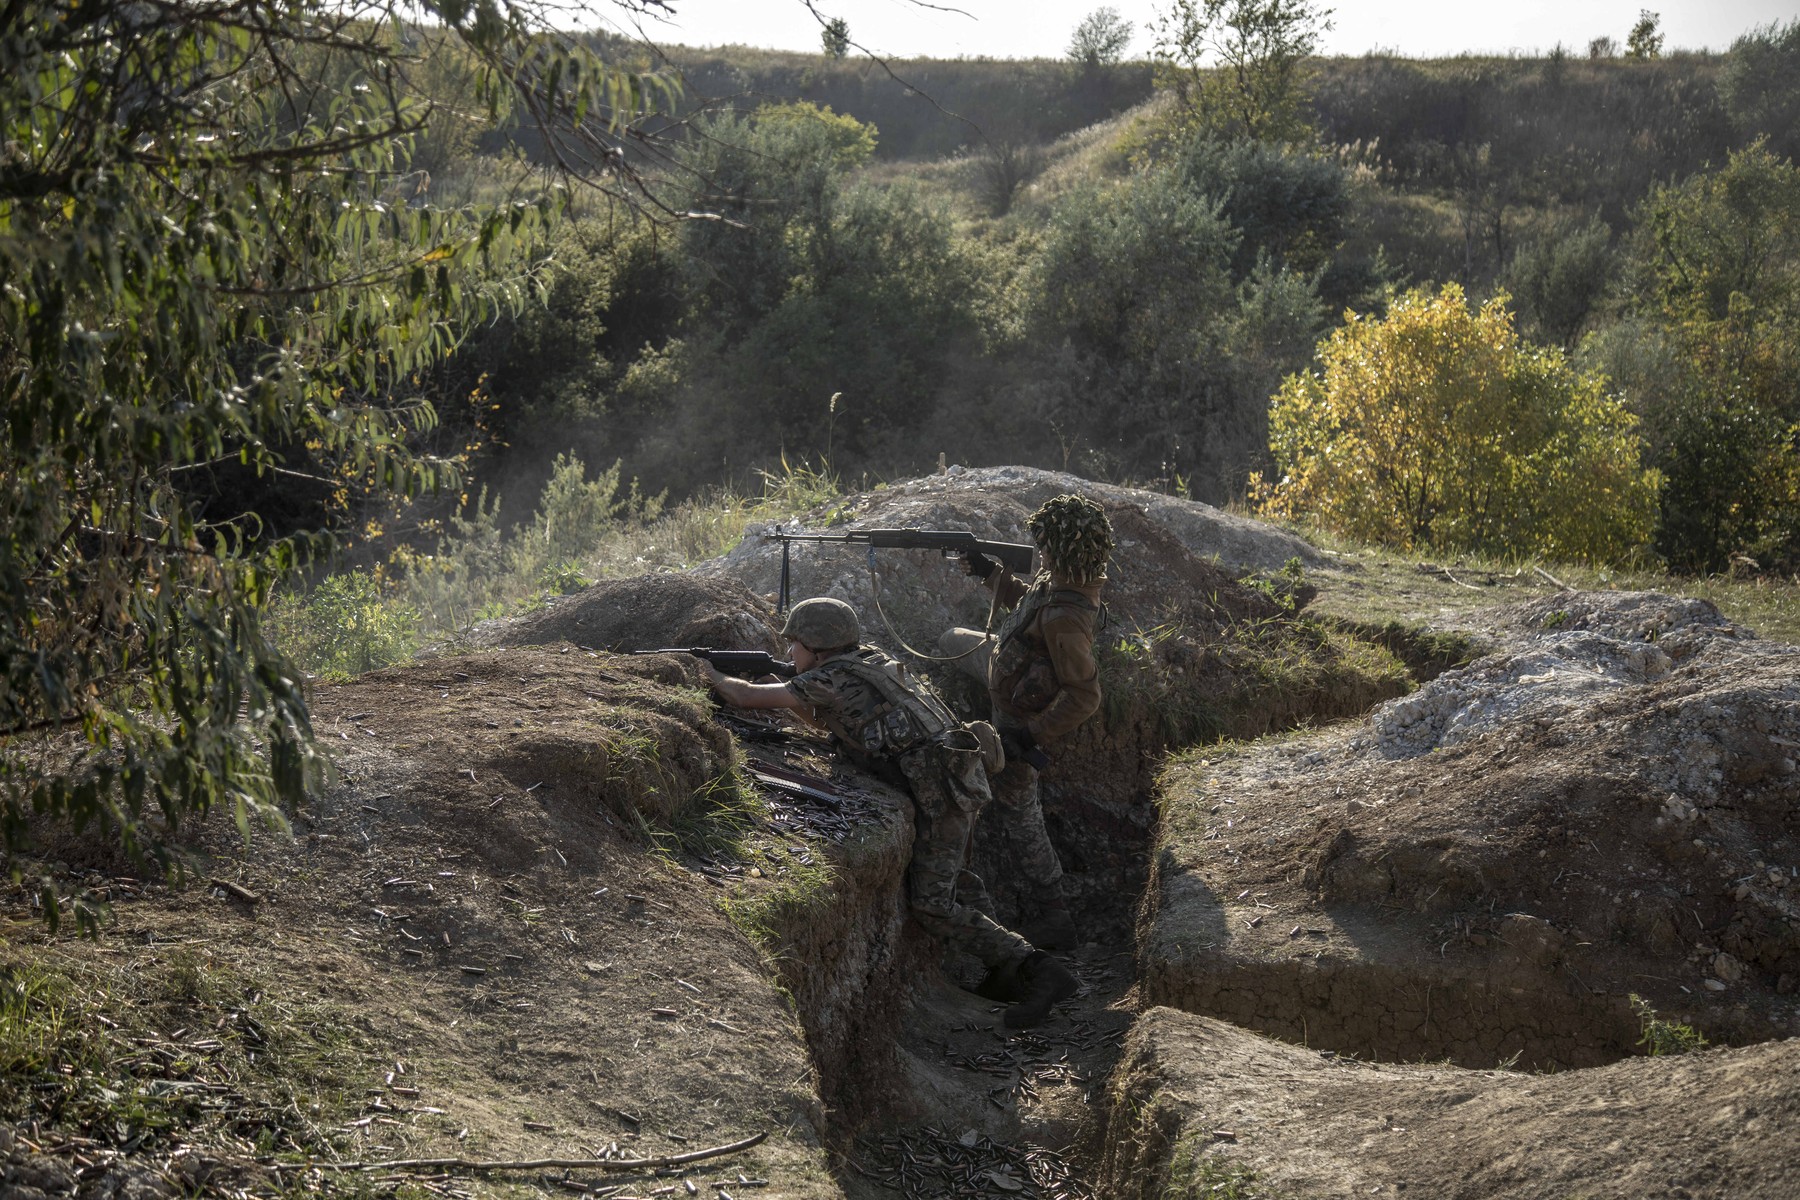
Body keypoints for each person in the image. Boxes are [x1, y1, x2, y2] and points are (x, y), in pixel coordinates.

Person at [699, 596, 1079, 1029]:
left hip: (941, 792)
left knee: (933, 906)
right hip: (954, 783)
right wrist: (786, 697)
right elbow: (837, 722)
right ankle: (1006, 970)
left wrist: (709, 673)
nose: (790, 654)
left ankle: (1040, 972)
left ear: (818, 648)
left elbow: (744, 697)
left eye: (795, 645)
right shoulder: (868, 662)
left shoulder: (833, 677)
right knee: (956, 879)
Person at [939, 494, 1114, 953]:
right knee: (946, 640)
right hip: (1003, 670)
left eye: (1045, 545)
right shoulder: (1057, 582)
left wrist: (1027, 736)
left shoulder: (1066, 618)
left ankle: (1054, 914)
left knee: (1020, 810)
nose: (1039, 550)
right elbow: (1025, 606)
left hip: (1018, 714)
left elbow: (1085, 695)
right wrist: (991, 575)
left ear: (1060, 549)